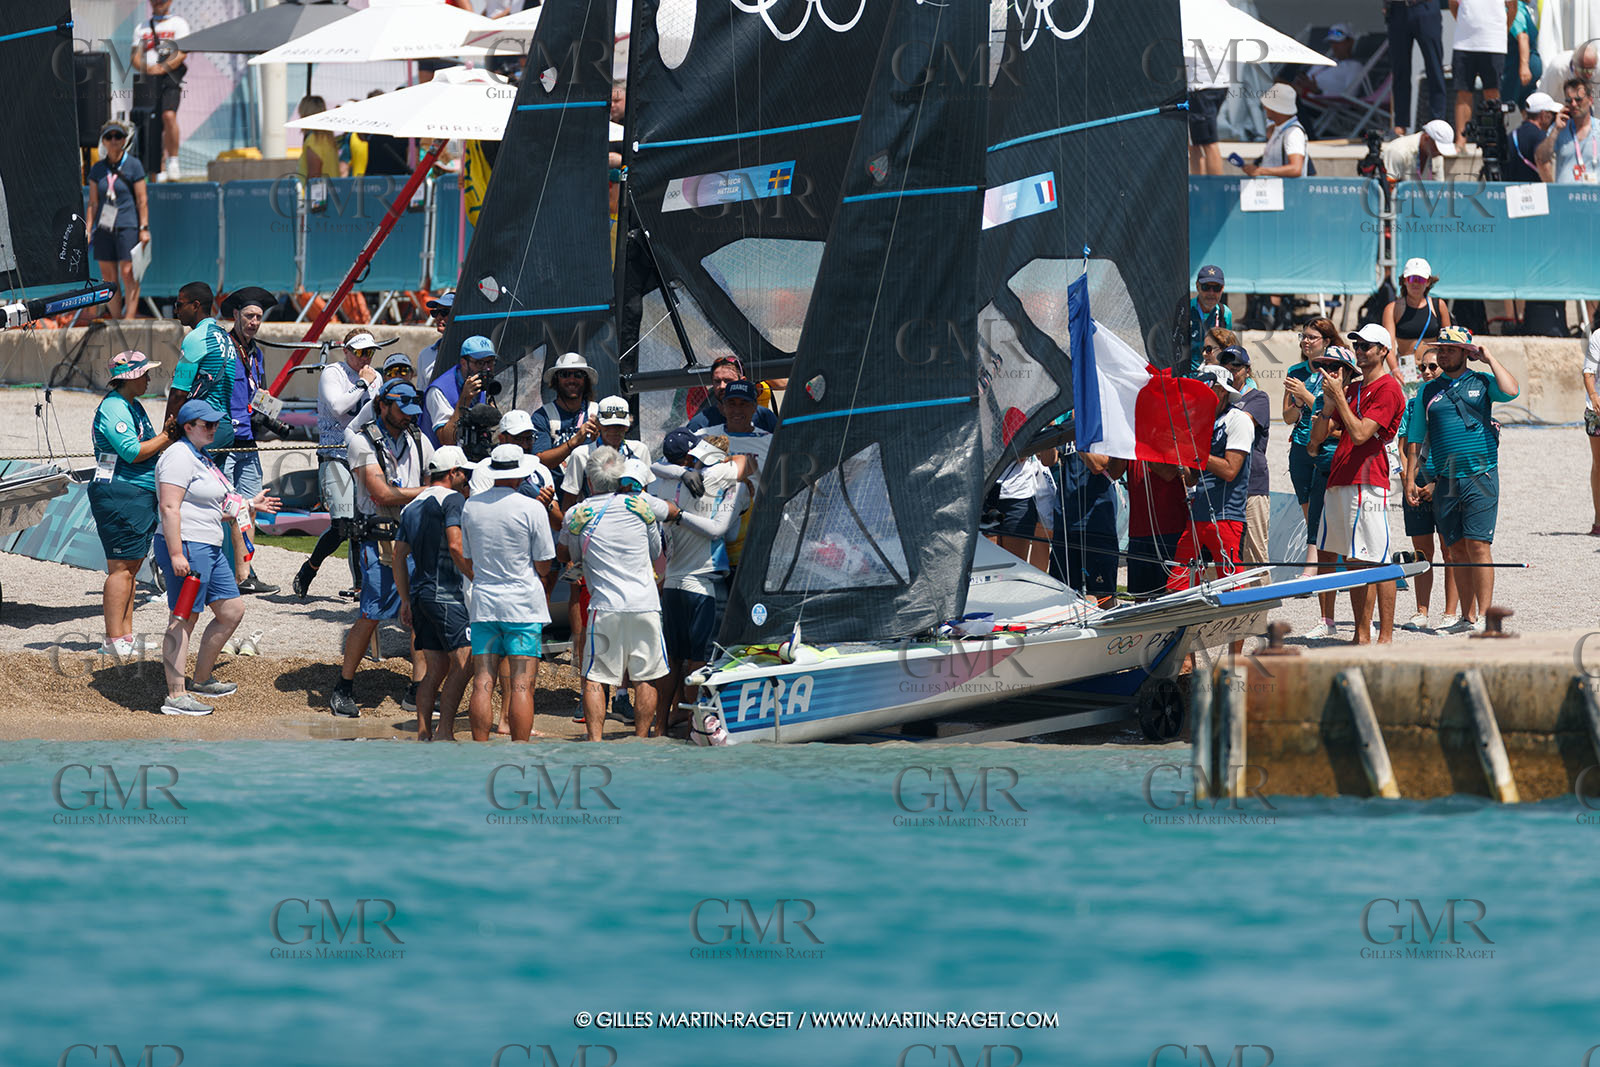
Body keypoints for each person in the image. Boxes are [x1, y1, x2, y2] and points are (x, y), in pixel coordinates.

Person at [153, 400, 277, 716]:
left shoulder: (201, 457)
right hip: (190, 548)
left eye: (215, 423)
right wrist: (177, 552)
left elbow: (213, 507)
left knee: (232, 610)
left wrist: (250, 504)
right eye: (206, 424)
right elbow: (169, 507)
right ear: (188, 426)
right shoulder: (178, 456)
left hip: (208, 546)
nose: (213, 428)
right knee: (183, 619)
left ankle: (202, 679)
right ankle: (176, 696)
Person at [1404, 325, 1520, 632]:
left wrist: (1490, 357)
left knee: (1478, 545)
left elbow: (1511, 390)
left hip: (1480, 474)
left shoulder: (1481, 381)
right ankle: (1467, 618)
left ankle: (1485, 616)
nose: (1443, 353)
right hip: (1445, 478)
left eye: (1450, 349)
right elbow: (1415, 435)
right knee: (1455, 549)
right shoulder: (1427, 390)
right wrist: (1409, 478)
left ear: (1466, 353)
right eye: (1440, 348)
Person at [329, 381, 434, 718]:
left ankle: (417, 689)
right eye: (402, 411)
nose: (408, 418)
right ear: (383, 405)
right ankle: (343, 686)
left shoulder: (417, 437)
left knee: (420, 616)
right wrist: (429, 492)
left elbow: (432, 478)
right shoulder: (361, 442)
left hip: (416, 537)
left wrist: (420, 490)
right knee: (372, 614)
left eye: (412, 412)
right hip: (380, 541)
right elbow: (381, 494)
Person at [565, 447, 671, 741]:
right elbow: (655, 553)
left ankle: (596, 742)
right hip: (645, 604)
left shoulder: (578, 513)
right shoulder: (640, 507)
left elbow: (575, 556)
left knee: (596, 677)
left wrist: (576, 530)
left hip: (605, 606)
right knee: (645, 676)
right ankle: (640, 738)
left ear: (590, 479)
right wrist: (649, 522)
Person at [655, 430, 752, 723]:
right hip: (703, 584)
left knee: (673, 659)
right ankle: (694, 727)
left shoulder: (662, 484)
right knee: (701, 659)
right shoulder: (720, 479)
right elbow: (745, 463)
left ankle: (662, 724)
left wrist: (681, 473)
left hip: (671, 583)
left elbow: (654, 465)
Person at [461, 444, 557, 741]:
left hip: (485, 603)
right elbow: (544, 564)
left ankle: (480, 747)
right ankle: (520, 751)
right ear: (521, 474)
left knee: (482, 682)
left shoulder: (471, 506)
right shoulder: (532, 507)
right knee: (521, 686)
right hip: (523, 605)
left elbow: (468, 556)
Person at [1314, 338, 1405, 645]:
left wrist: (1338, 397)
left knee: (1378, 558)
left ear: (1383, 351)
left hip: (1368, 478)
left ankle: (1386, 636)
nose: (1361, 350)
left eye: (1368, 345)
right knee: (1354, 559)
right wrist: (1327, 408)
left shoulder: (1388, 388)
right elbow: (1314, 444)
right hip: (1340, 478)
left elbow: (1361, 434)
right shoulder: (1353, 389)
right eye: (1358, 344)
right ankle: (1361, 632)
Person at [91, 351, 178, 658]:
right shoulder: (114, 407)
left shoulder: (132, 405)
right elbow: (131, 451)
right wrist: (168, 436)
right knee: (120, 569)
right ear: (129, 377)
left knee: (131, 567)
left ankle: (124, 636)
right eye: (143, 373)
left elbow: (148, 446)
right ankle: (114, 640)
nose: (148, 378)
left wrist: (165, 438)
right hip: (120, 493)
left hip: (134, 493)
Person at [394, 446, 476, 742]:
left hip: (420, 594)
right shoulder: (452, 498)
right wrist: (473, 575)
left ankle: (424, 731)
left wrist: (405, 598)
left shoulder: (412, 505)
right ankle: (445, 732)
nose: (466, 478)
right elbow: (455, 545)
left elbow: (398, 555)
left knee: (436, 668)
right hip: (447, 594)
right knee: (466, 661)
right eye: (463, 473)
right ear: (452, 473)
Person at [296, 329, 383, 599]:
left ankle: (361, 586)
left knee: (364, 522)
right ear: (346, 351)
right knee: (343, 523)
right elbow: (337, 407)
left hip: (363, 453)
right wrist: (361, 384)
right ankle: (309, 568)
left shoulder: (375, 377)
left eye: (369, 352)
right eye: (359, 352)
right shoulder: (333, 372)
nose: (365, 357)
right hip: (334, 453)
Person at [217, 286, 281, 595]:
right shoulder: (224, 348)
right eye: (249, 316)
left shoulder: (257, 354)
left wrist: (272, 416)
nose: (254, 322)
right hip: (226, 443)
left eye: (258, 317)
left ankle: (246, 573)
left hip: (249, 443)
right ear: (235, 316)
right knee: (224, 508)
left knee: (250, 508)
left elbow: (262, 395)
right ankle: (217, 571)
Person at [1167, 365, 1253, 591]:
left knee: (1233, 584)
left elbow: (1230, 470)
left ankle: (1237, 623)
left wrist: (1195, 453)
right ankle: (1177, 622)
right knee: (1177, 580)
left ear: (1222, 391)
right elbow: (1191, 479)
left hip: (1227, 516)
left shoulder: (1239, 420)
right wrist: (1178, 460)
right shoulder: (1200, 423)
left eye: (1205, 389)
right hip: (1198, 514)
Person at [1396, 347, 1459, 630]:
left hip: (1446, 482)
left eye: (1433, 367)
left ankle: (1450, 612)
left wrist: (1437, 483)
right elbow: (1403, 446)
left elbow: (1460, 448)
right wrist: (1409, 480)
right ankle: (1421, 612)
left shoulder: (1453, 402)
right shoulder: (1413, 403)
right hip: (1416, 483)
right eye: (1423, 368)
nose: (1427, 372)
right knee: (1422, 552)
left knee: (1450, 550)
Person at [85, 121, 149, 321]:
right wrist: (88, 228)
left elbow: (142, 199)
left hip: (127, 224)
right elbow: (93, 203)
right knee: (108, 275)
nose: (114, 141)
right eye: (109, 137)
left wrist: (144, 227)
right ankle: (116, 318)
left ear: (124, 140)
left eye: (118, 136)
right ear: (103, 141)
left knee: (128, 271)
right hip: (104, 226)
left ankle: (129, 319)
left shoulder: (133, 165)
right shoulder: (97, 169)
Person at [164, 282, 235, 448]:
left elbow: (178, 393)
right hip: (224, 428)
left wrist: (166, 436)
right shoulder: (225, 338)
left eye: (179, 305)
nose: (176, 310)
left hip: (203, 428)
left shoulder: (197, 337)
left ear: (195, 305)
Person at [1218, 346, 1270, 567]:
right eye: (1225, 365)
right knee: (1222, 552)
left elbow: (1239, 424)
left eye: (1236, 365)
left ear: (1247, 370)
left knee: (1254, 552)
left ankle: (1263, 600)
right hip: (1224, 486)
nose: (1231, 369)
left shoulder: (1258, 398)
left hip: (1252, 485)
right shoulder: (1219, 401)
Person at [1053, 448, 1122, 604]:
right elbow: (1047, 460)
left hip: (1096, 518)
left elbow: (1098, 465)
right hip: (1066, 516)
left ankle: (1106, 626)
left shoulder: (1100, 426)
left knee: (1102, 595)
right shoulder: (1064, 423)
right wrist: (1049, 429)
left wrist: (1078, 431)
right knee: (1064, 591)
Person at [130, 0, 187, 182]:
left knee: (168, 115)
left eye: (161, 1)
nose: (157, 3)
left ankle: (174, 161)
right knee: (151, 123)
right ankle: (158, 167)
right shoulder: (142, 28)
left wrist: (164, 67)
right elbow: (135, 57)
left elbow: (183, 52)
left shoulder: (179, 24)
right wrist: (148, 68)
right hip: (148, 79)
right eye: (154, 1)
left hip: (170, 78)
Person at [561, 395, 652, 505]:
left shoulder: (640, 450)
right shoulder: (581, 454)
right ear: (598, 424)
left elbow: (645, 492)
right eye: (608, 426)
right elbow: (569, 500)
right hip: (594, 517)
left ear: (627, 426)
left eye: (619, 426)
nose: (614, 431)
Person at [1125, 460, 1187, 600]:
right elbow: (1115, 473)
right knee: (1141, 597)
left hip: (1170, 528)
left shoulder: (1165, 438)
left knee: (1171, 595)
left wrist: (1141, 446)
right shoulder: (1131, 440)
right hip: (1138, 530)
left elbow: (1169, 473)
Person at [530, 352, 601, 469]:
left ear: (586, 380)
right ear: (556, 379)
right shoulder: (543, 416)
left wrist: (599, 441)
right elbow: (540, 461)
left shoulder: (597, 412)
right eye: (565, 374)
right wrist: (574, 442)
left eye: (578, 374)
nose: (571, 380)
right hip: (554, 486)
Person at [1386, 0, 1447, 136]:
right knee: (1400, 70)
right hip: (1397, 8)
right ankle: (1400, 123)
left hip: (1425, 6)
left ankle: (1437, 122)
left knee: (1434, 68)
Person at [423, 334, 495, 446]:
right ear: (463, 363)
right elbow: (447, 441)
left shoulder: (483, 383)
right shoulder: (439, 391)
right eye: (479, 363)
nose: (486, 368)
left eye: (490, 362)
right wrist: (464, 401)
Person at [1382, 257, 1451, 375]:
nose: (1415, 283)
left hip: (1434, 370)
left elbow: (1448, 342)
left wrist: (1447, 370)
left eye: (1421, 279)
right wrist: (1395, 370)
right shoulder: (1392, 309)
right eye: (1412, 278)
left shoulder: (1439, 305)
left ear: (1428, 281)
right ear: (1404, 281)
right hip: (1405, 372)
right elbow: (1388, 346)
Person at [1450, 0, 1504, 148]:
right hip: (1464, 43)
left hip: (1493, 43)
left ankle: (1492, 139)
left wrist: (1499, 31)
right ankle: (1461, 140)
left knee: (1492, 92)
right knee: (1463, 91)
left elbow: (1512, 8)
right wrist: (1467, 27)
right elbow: (1453, 4)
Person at [685, 355, 780, 433]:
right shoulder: (699, 424)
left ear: (743, 381)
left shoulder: (764, 417)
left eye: (728, 381)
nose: (722, 386)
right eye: (717, 381)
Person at [1537, 78, 1600, 184]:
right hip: (1565, 196)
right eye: (1569, 101)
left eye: (1578, 100)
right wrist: (1556, 131)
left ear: (1590, 100)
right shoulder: (1559, 128)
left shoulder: (1598, 128)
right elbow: (1541, 158)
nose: (1574, 104)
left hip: (1594, 196)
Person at [1243, 83, 1309, 179]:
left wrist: (1260, 171)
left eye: (1267, 105)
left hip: (1286, 191)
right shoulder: (1279, 129)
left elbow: (1296, 169)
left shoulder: (1293, 133)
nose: (1265, 108)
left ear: (1276, 109)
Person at [1294, 24, 1365, 101]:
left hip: (1317, 103)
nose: (1334, 46)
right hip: (1300, 96)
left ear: (1350, 42)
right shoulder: (1324, 62)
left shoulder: (1354, 67)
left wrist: (1318, 91)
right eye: (1332, 42)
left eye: (1338, 42)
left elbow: (1348, 98)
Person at [1505, 92, 1563, 183]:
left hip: (1511, 192)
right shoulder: (1539, 136)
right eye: (1552, 114)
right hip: (1534, 192)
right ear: (1543, 115)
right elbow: (1544, 165)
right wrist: (1552, 190)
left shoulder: (1512, 134)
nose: (1553, 118)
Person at [1380, 118, 1458, 182]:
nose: (1439, 153)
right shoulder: (1398, 151)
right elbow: (1390, 187)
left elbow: (1439, 188)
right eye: (1437, 148)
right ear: (1426, 138)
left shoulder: (1436, 154)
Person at [1189, 265, 1231, 375]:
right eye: (1206, 287)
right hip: (1187, 378)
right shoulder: (1185, 310)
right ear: (1197, 286)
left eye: (1216, 288)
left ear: (1222, 289)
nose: (1211, 293)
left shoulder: (1225, 314)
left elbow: (1228, 349)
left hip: (1213, 376)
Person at [1504, 0, 1541, 107]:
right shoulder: (1525, 8)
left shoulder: (1514, 8)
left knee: (1506, 106)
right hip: (1529, 66)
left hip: (1517, 69)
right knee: (1528, 109)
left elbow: (1523, 37)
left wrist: (1524, 66)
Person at [295, 95, 339, 182]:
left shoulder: (314, 140)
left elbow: (314, 176)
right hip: (332, 189)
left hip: (318, 193)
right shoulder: (328, 138)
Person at [417, 292, 454, 383]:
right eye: (435, 312)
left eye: (444, 312)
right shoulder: (425, 354)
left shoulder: (469, 352)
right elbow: (422, 391)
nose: (438, 317)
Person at [1585, 322, 1600, 537]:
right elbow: (1588, 371)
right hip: (1597, 410)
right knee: (1599, 464)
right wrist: (1595, 398)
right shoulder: (1598, 336)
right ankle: (1599, 517)